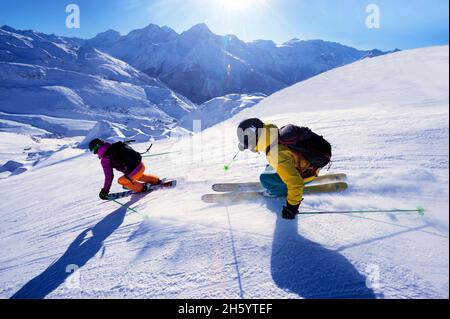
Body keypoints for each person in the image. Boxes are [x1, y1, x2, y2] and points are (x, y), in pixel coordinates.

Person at [237, 118, 326, 219]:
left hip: (306, 173)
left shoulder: (275, 153)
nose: (249, 147)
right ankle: (283, 180)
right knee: (270, 168)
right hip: (308, 165)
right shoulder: (271, 134)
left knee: (264, 179)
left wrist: (292, 208)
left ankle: (278, 191)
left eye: (247, 144)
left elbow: (296, 183)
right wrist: (244, 143)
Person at [88, 138, 161, 200]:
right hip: (141, 165)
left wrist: (105, 191)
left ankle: (142, 188)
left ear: (97, 148)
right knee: (137, 176)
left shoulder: (105, 159)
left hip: (134, 172)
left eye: (93, 151)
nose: (95, 153)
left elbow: (109, 177)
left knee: (121, 181)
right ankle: (156, 180)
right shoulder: (116, 146)